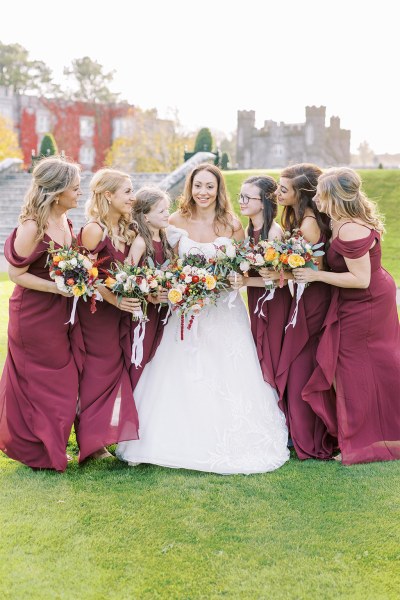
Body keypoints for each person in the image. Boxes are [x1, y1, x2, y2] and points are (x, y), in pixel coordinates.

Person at [117, 163, 289, 474]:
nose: (203, 192)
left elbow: (240, 268)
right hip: (184, 311)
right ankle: (169, 437)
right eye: (198, 186)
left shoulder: (232, 224)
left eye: (210, 186)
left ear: (219, 189)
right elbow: (161, 262)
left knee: (226, 372)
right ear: (190, 188)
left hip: (224, 311)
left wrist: (229, 281)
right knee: (180, 370)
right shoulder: (173, 220)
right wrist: (167, 287)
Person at [298, 167, 400, 465]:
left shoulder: (350, 228)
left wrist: (317, 276)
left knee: (354, 366)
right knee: (364, 364)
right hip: (357, 300)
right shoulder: (338, 220)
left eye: (320, 192)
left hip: (365, 302)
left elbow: (360, 280)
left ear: (334, 196)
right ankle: (361, 432)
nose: (315, 197)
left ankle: (363, 438)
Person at [0, 156, 83, 472]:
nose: (79, 192)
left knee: (61, 381)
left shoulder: (67, 223)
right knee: (43, 383)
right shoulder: (32, 225)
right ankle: (40, 452)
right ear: (57, 190)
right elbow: (16, 274)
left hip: (60, 314)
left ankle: (49, 447)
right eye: (74, 188)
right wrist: (56, 289)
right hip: (33, 316)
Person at [76, 168, 139, 462]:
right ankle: (91, 444)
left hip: (120, 313)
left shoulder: (127, 230)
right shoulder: (94, 230)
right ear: (108, 195)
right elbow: (85, 278)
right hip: (97, 315)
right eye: (127, 191)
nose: (132, 197)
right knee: (97, 375)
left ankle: (100, 436)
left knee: (114, 372)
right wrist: (117, 301)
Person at [274, 163, 337, 461]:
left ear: (301, 193)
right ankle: (298, 429)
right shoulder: (299, 217)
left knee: (301, 362)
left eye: (283, 189)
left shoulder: (309, 223)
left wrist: (277, 264)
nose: (277, 193)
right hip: (305, 296)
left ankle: (308, 435)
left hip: (313, 298)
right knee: (300, 360)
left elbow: (316, 266)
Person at [229, 176, 291, 390]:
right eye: (240, 196)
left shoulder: (273, 234)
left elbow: (277, 282)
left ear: (265, 200)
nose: (242, 201)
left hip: (274, 304)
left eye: (248, 197)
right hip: (257, 301)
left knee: (271, 356)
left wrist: (244, 281)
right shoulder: (248, 232)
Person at [127, 186, 173, 387]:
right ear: (145, 217)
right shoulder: (140, 243)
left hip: (163, 311)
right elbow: (128, 278)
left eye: (167, 210)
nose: (167, 214)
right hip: (146, 313)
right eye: (161, 211)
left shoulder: (164, 239)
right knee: (142, 354)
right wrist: (149, 294)